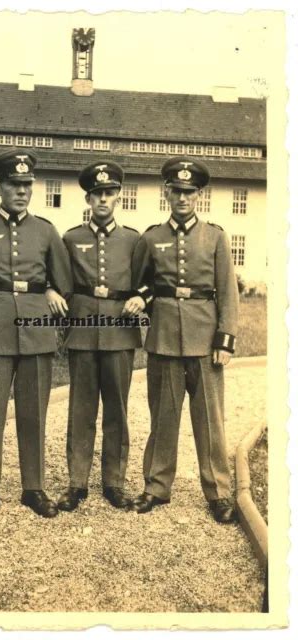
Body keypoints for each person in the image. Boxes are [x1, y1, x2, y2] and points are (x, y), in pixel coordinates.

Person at [0, 149, 72, 521]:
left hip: (36, 332)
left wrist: (52, 290)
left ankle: (33, 488)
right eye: (14, 185)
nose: (22, 191)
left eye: (27, 185)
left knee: (34, 412)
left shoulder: (46, 231)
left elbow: (66, 282)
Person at [131, 156, 239, 523]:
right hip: (163, 338)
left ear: (198, 195)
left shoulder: (216, 236)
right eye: (176, 191)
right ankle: (157, 487)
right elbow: (142, 283)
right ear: (166, 193)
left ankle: (219, 492)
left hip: (205, 339)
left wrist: (224, 341)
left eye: (189, 192)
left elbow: (227, 292)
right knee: (163, 417)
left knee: (210, 420)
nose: (182, 198)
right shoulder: (151, 237)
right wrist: (142, 299)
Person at [57, 161, 148, 512]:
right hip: (81, 332)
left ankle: (114, 482)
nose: (103, 200)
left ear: (118, 197)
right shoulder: (71, 238)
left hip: (120, 333)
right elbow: (60, 281)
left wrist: (140, 297)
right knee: (81, 410)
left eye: (109, 193)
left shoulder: (133, 240)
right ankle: (76, 483)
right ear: (88, 197)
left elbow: (144, 282)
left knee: (117, 410)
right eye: (97, 194)